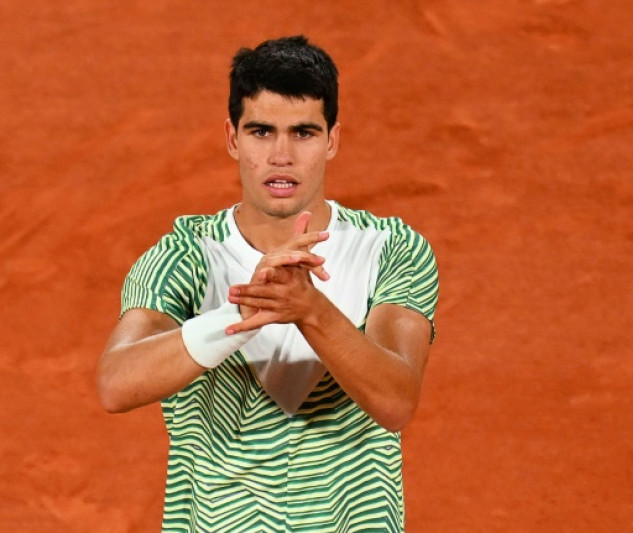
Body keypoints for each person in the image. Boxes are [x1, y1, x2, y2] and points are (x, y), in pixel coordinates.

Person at [97, 35, 439, 532]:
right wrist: (242, 312)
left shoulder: (391, 249)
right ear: (233, 138)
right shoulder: (186, 254)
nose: (281, 155)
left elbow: (396, 401)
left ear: (332, 140)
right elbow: (115, 384)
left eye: (303, 133)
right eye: (261, 132)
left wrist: (309, 309)